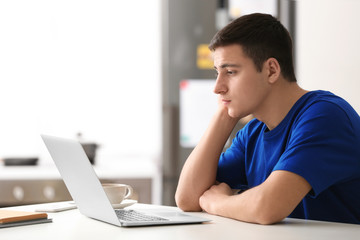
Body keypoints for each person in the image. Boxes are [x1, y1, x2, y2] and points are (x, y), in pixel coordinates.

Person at [175, 13, 360, 225]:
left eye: (231, 72)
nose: (217, 87)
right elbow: (187, 198)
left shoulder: (325, 116)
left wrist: (217, 202)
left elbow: (267, 207)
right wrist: (223, 115)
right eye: (217, 72)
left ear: (271, 70)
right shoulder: (253, 132)